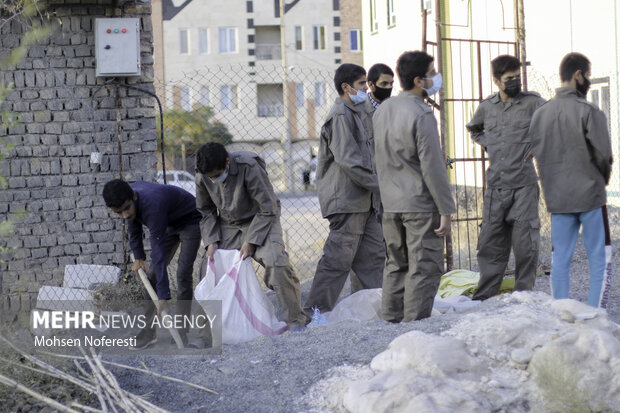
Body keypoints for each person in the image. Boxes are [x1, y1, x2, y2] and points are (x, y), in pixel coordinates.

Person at [373, 51, 456, 322]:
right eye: (433, 73)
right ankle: (414, 330)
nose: (437, 78)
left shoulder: (383, 109)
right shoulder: (422, 114)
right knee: (424, 268)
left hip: (390, 203)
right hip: (419, 204)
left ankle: (390, 323)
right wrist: (446, 208)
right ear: (419, 81)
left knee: (396, 265)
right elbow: (433, 166)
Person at [529, 52, 613, 308]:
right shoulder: (589, 111)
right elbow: (604, 156)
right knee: (599, 258)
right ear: (578, 75)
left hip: (557, 199)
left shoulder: (539, 114)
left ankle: (561, 315)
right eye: (588, 75)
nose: (588, 80)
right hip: (590, 197)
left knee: (560, 260)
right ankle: (595, 315)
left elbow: (536, 154)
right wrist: (601, 181)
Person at [195, 142, 308, 328]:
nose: (214, 180)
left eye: (217, 175)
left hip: (261, 219)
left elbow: (268, 207)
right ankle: (215, 326)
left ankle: (296, 320)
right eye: (210, 178)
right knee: (208, 266)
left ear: (227, 162)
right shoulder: (203, 174)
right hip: (227, 224)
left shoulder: (249, 166)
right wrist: (211, 241)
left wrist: (251, 241)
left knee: (276, 262)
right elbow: (205, 211)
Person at [303, 63, 385, 317]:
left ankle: (385, 307)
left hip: (365, 200)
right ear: (346, 87)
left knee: (373, 257)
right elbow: (350, 161)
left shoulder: (358, 110)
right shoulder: (340, 115)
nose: (366, 89)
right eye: (361, 85)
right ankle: (314, 314)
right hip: (347, 200)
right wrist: (381, 186)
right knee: (337, 261)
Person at [466, 55, 546, 301]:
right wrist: (488, 144)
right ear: (496, 81)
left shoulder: (533, 103)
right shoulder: (487, 106)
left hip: (524, 184)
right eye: (509, 78)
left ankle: (524, 297)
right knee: (491, 244)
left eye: (517, 77)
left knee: (525, 245)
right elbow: (474, 128)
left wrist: (539, 144)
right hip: (496, 186)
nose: (515, 82)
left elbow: (552, 122)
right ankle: (485, 297)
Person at [103, 179, 204, 349]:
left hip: (189, 219)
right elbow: (132, 226)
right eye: (118, 212)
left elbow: (158, 255)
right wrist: (139, 257)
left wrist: (163, 298)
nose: (124, 215)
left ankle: (181, 330)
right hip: (169, 221)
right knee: (151, 277)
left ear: (134, 197)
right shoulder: (127, 199)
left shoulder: (152, 206)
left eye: (126, 208)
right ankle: (148, 332)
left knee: (183, 273)